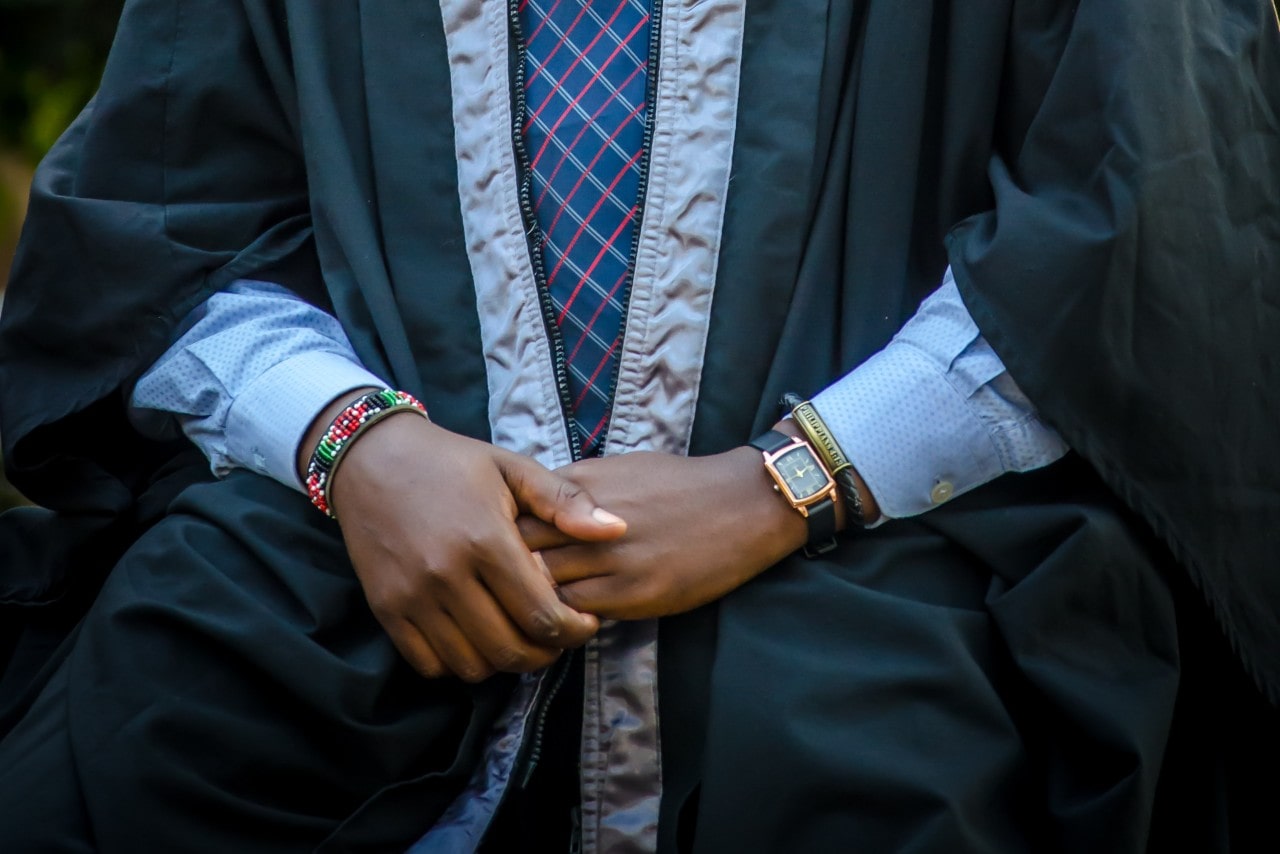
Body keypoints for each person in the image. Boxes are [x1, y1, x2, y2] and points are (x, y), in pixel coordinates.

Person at [1, 0, 1277, 851]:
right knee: (160, 722)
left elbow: (1144, 220)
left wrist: (790, 480)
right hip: (348, 582)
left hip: (893, 583)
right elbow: (164, 224)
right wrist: (355, 443)